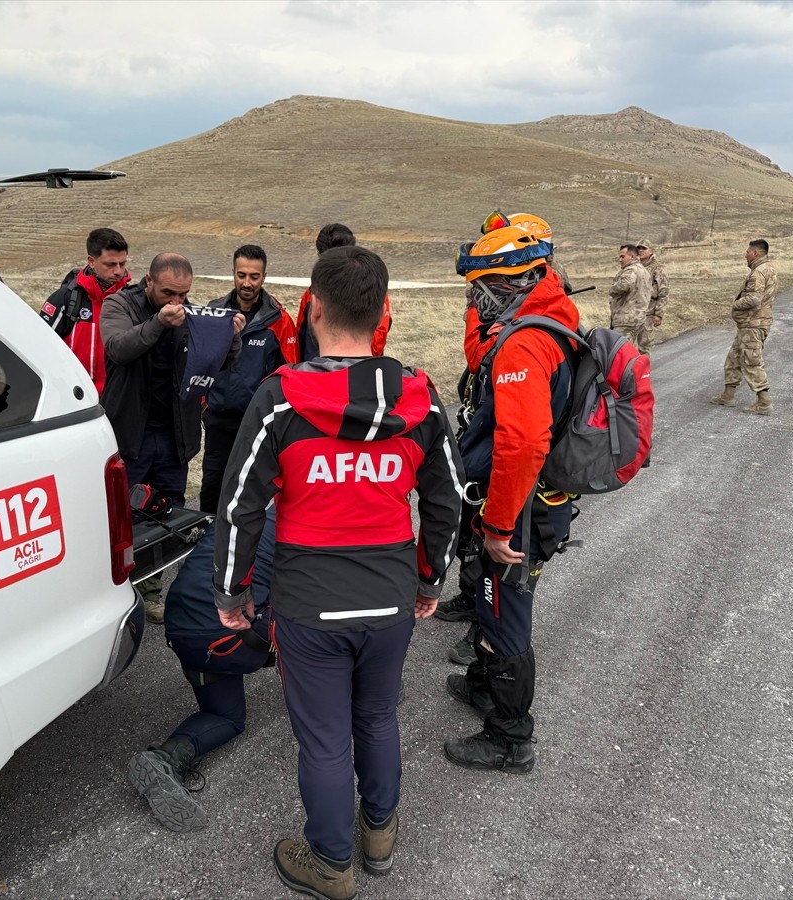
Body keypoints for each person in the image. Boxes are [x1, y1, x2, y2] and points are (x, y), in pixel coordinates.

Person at [213, 245, 464, 900]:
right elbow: (447, 501)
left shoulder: (280, 398)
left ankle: (331, 862)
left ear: (313, 310)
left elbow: (239, 504)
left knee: (324, 739)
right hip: (389, 599)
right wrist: (430, 579)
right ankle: (379, 833)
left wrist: (232, 592)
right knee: (376, 717)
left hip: (309, 605)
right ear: (383, 314)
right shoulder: (421, 399)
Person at [443, 211, 581, 774]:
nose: (473, 300)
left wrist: (498, 526)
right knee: (492, 603)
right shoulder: (554, 317)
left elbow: (522, 443)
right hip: (533, 501)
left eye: (478, 288)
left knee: (505, 616)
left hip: (519, 513)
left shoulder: (524, 345)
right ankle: (483, 686)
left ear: (508, 283)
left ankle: (509, 738)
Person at [100, 252, 245, 622]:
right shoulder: (119, 305)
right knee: (120, 517)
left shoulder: (189, 313)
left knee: (165, 514)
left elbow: (219, 362)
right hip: (129, 433)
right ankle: (111, 596)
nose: (176, 302)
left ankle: (150, 592)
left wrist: (230, 338)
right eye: (168, 293)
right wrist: (158, 323)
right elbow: (118, 348)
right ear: (148, 281)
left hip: (173, 434)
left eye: (183, 294)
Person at [128, 508, 278, 832]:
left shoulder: (247, 505)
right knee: (315, 625)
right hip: (223, 634)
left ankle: (165, 760)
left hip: (182, 629)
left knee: (227, 718)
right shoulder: (309, 524)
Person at [198, 245, 297, 513]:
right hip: (218, 418)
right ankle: (208, 534)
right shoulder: (215, 313)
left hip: (257, 422)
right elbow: (200, 363)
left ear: (264, 276)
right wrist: (205, 406)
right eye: (241, 275)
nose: (247, 283)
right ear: (233, 273)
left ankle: (249, 538)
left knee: (253, 488)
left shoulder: (279, 320)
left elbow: (290, 373)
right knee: (213, 486)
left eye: (254, 276)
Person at [38, 227, 131, 393]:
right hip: (75, 397)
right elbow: (40, 349)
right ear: (91, 261)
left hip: (117, 399)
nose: (118, 271)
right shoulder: (65, 299)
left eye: (122, 264)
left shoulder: (132, 299)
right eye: (110, 264)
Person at [295, 223, 391, 361]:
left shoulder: (312, 295)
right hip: (364, 365)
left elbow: (300, 338)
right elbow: (378, 340)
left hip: (318, 366)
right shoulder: (375, 290)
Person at [711, 239, 778, 415]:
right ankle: (728, 395)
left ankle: (764, 402)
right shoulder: (768, 268)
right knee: (734, 358)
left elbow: (754, 299)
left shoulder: (759, 272)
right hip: (751, 324)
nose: (745, 255)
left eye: (748, 252)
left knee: (752, 361)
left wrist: (735, 304)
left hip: (753, 324)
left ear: (756, 253)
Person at [609, 243, 651, 352]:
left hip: (626, 319)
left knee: (619, 351)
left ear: (631, 256)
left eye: (622, 256)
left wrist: (612, 288)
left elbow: (622, 286)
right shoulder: (644, 270)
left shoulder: (630, 270)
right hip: (639, 317)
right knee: (638, 350)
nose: (620, 260)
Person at [635, 238, 669, 349]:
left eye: (643, 248)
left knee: (644, 345)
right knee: (626, 345)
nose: (640, 250)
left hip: (648, 312)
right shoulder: (634, 267)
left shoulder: (658, 269)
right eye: (638, 248)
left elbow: (663, 292)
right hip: (632, 311)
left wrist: (658, 314)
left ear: (650, 251)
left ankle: (644, 361)